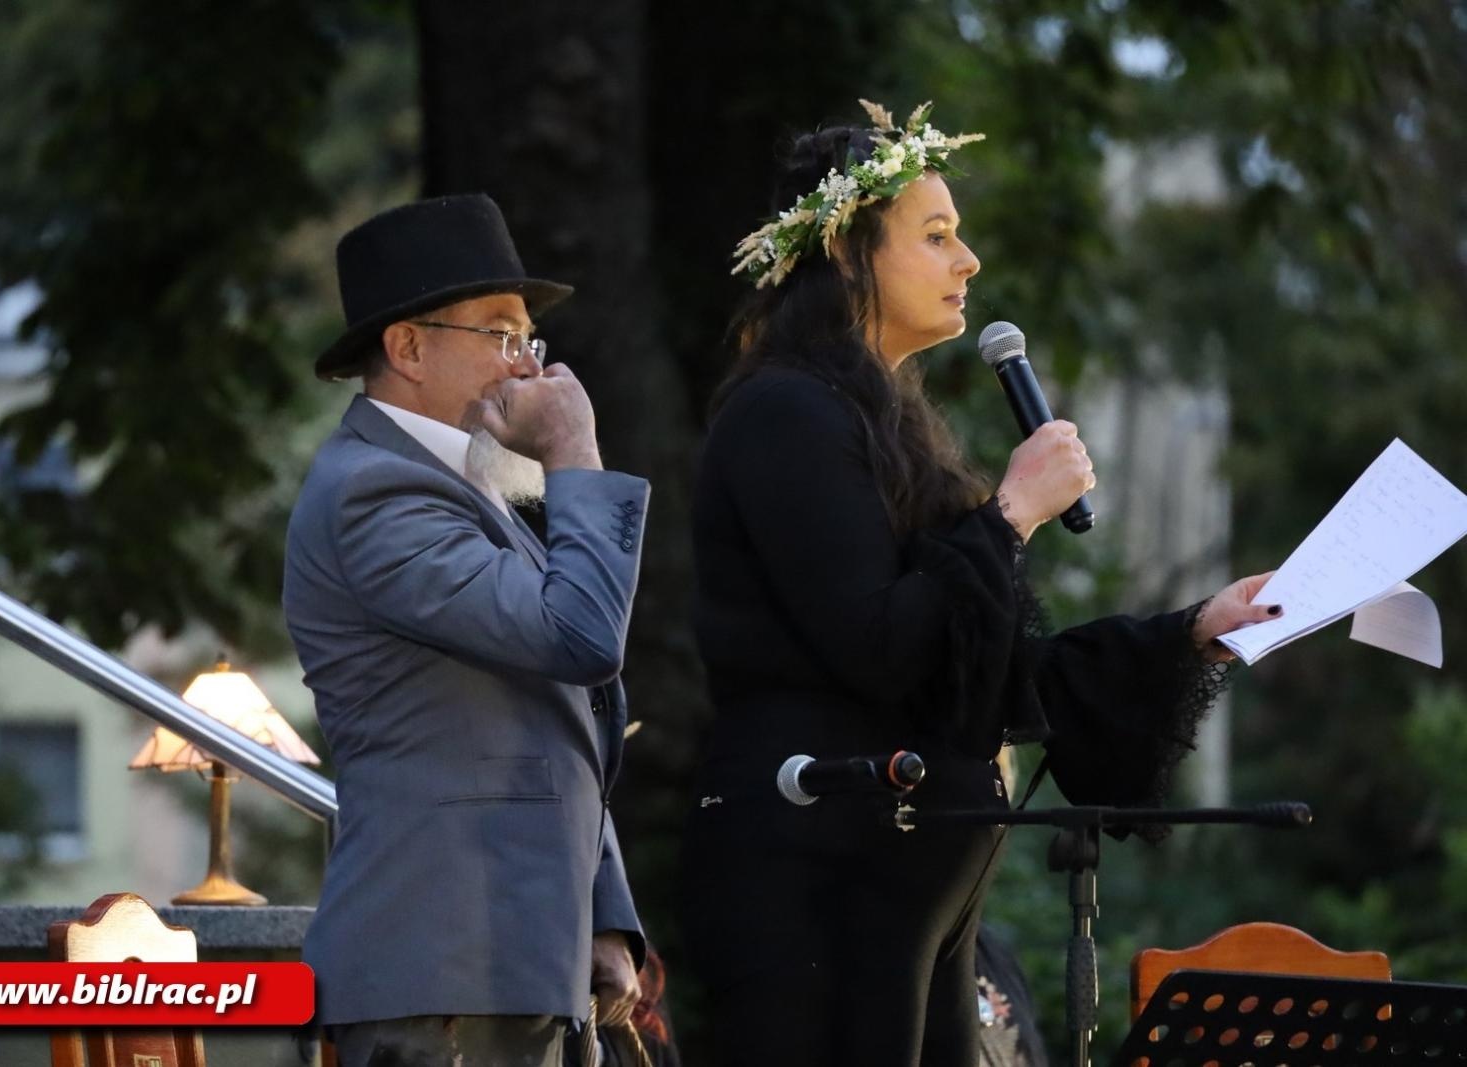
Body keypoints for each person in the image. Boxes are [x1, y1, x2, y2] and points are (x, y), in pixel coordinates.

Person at [680, 101, 1278, 1067]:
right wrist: (1010, 515)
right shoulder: (785, 412)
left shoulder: (883, 421)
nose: (969, 261)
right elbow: (881, 645)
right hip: (818, 888)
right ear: (846, 250)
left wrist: (1191, 631)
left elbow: (980, 667)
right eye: (936, 235)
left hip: (908, 899)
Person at [284, 194, 648, 1067]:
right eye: (501, 334)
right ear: (408, 348)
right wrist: (576, 454)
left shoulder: (469, 489)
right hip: (442, 964)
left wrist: (601, 913)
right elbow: (580, 637)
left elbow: (553, 719)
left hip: (512, 959)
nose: (527, 369)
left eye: (529, 339)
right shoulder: (375, 492)